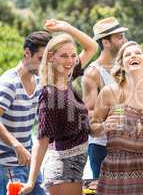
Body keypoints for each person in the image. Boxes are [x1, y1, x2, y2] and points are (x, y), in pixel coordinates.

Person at [20, 19, 97, 195]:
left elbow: (92, 47)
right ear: (51, 57)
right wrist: (31, 181)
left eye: (73, 55)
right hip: (63, 169)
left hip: (76, 166)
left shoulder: (67, 79)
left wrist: (66, 28)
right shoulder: (49, 93)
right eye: (63, 56)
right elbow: (42, 139)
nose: (70, 61)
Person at [90, 41, 143, 195]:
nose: (133, 56)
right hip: (116, 173)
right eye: (128, 55)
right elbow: (92, 129)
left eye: (138, 53)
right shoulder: (109, 92)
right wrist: (103, 126)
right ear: (122, 65)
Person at [0, 31, 51, 195]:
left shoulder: (37, 81)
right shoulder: (9, 83)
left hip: (29, 163)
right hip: (8, 166)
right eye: (40, 59)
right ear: (27, 53)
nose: (44, 65)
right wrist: (16, 145)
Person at [82, 17, 128, 179]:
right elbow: (91, 121)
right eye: (120, 37)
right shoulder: (93, 73)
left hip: (127, 146)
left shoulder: (124, 67)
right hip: (103, 149)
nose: (126, 40)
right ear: (106, 42)